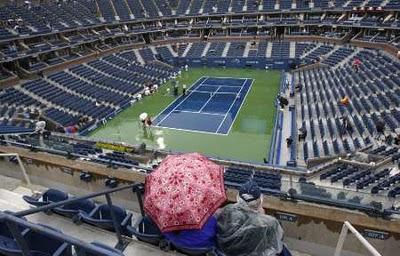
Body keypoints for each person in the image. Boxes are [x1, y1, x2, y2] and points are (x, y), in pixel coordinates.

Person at [217, 181, 291, 256]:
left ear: (238, 198)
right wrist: (262, 217)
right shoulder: (270, 223)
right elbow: (276, 246)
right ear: (260, 200)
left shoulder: (226, 211)